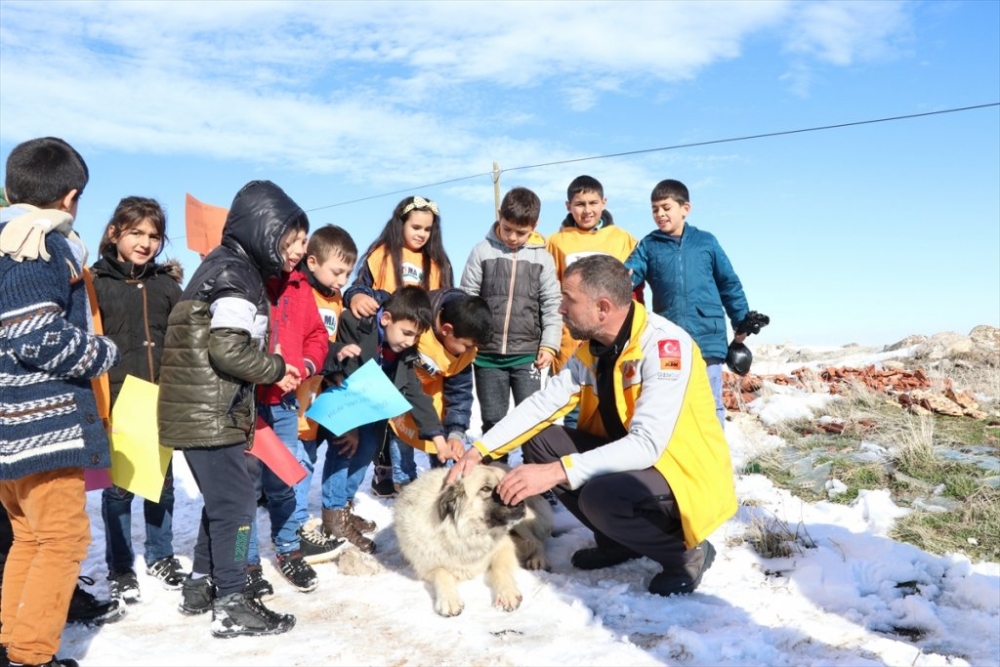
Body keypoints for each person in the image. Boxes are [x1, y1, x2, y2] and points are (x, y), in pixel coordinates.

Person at [449, 254, 737, 597]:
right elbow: (544, 404)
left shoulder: (664, 347)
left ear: (602, 308)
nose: (560, 309)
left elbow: (647, 445)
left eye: (569, 299)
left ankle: (686, 554)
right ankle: (618, 540)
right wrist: (479, 450)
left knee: (601, 496)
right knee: (542, 442)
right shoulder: (594, 350)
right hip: (633, 463)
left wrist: (557, 471)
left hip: (680, 471)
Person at [157, 180, 303, 638]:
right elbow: (228, 350)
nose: (297, 249)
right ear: (265, 229)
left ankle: (202, 582)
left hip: (205, 409)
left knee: (223, 502)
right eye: (290, 238)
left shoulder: (222, 265)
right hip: (212, 412)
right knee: (238, 506)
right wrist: (276, 367)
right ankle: (233, 601)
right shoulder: (237, 274)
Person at [0, 137, 121, 667]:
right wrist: (100, 351)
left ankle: (12, 643)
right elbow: (35, 335)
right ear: (71, 197)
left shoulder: (7, 239)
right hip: (41, 426)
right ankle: (30, 656)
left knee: (28, 536)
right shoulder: (39, 244)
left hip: (9, 426)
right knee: (63, 541)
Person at [90, 196, 187, 605]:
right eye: (136, 233)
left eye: (153, 235)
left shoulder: (167, 286)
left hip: (158, 399)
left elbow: (182, 341)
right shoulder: (94, 283)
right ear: (114, 233)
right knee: (118, 491)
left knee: (161, 485)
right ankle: (120, 564)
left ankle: (161, 554)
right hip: (116, 402)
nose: (145, 242)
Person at [243, 215, 344, 599]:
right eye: (294, 241)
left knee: (285, 480)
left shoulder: (299, 286)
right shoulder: (246, 278)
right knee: (246, 491)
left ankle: (288, 550)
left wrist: (303, 366)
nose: (301, 249)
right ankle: (246, 561)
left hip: (284, 402)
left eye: (304, 241)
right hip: (246, 404)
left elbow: (317, 335)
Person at [319, 286, 446, 553]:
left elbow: (414, 391)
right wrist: (350, 426)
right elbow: (345, 371)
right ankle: (333, 515)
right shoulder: (356, 324)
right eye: (406, 333)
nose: (410, 342)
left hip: (370, 408)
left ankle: (344, 504)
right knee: (343, 449)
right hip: (342, 400)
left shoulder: (402, 352)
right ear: (386, 319)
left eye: (416, 336)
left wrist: (437, 435)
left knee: (366, 450)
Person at [625, 179, 751, 427]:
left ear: (685, 208)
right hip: (669, 339)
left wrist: (741, 319)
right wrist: (616, 279)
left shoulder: (706, 242)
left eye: (666, 207)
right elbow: (629, 274)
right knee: (674, 403)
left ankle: (713, 463)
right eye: (654, 209)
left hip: (707, 336)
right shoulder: (649, 245)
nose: (660, 214)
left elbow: (729, 283)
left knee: (709, 402)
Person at [352, 195, 455, 497]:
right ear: (401, 224)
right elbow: (359, 287)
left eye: (427, 229)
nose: (421, 234)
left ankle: (432, 466)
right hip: (385, 343)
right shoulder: (381, 255)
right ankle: (383, 467)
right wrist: (355, 296)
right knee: (384, 412)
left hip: (420, 345)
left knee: (417, 401)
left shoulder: (438, 262)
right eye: (416, 227)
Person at [344, 284, 493, 487]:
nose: (470, 351)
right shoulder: (420, 310)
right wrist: (357, 295)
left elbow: (460, 394)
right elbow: (383, 298)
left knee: (440, 456)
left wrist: (455, 432)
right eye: (468, 345)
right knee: (400, 446)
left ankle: (440, 491)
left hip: (432, 407)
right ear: (447, 330)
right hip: (400, 401)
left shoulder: (464, 354)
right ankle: (404, 485)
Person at [459, 186, 561, 442]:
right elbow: (467, 299)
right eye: (507, 229)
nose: (513, 237)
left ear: (534, 226)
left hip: (528, 356)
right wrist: (469, 340)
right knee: (493, 421)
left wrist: (549, 345)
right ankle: (494, 477)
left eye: (521, 232)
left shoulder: (543, 259)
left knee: (532, 421)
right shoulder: (481, 251)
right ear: (499, 216)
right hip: (487, 356)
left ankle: (534, 477)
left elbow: (551, 303)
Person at [291, 225, 362, 563]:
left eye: (348, 273)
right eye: (337, 271)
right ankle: (294, 530)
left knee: (322, 453)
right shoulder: (300, 290)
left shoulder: (335, 298)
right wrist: (334, 352)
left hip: (319, 393)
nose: (343, 279)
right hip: (294, 396)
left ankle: (319, 521)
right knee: (299, 462)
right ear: (313, 261)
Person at [546, 175, 641, 375]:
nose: (587, 210)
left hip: (614, 336)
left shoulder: (623, 239)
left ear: (604, 203)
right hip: (571, 337)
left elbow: (635, 290)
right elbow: (550, 292)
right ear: (568, 205)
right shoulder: (556, 242)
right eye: (580, 204)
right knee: (570, 397)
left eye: (593, 203)